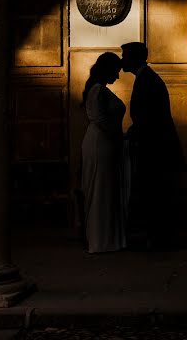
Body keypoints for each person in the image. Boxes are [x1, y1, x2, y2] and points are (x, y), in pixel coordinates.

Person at [120, 41, 187, 249]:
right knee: (156, 193)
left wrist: (134, 132)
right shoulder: (147, 78)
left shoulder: (147, 80)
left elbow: (150, 118)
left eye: (125, 56)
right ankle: (157, 236)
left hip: (156, 148)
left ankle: (158, 237)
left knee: (156, 193)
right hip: (155, 145)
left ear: (135, 58)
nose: (122, 60)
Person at [80, 52, 127, 253]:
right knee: (102, 189)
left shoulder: (98, 89)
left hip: (104, 142)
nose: (117, 76)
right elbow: (100, 119)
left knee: (106, 189)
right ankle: (101, 240)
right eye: (116, 71)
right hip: (101, 143)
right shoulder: (98, 90)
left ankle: (107, 238)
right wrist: (119, 137)